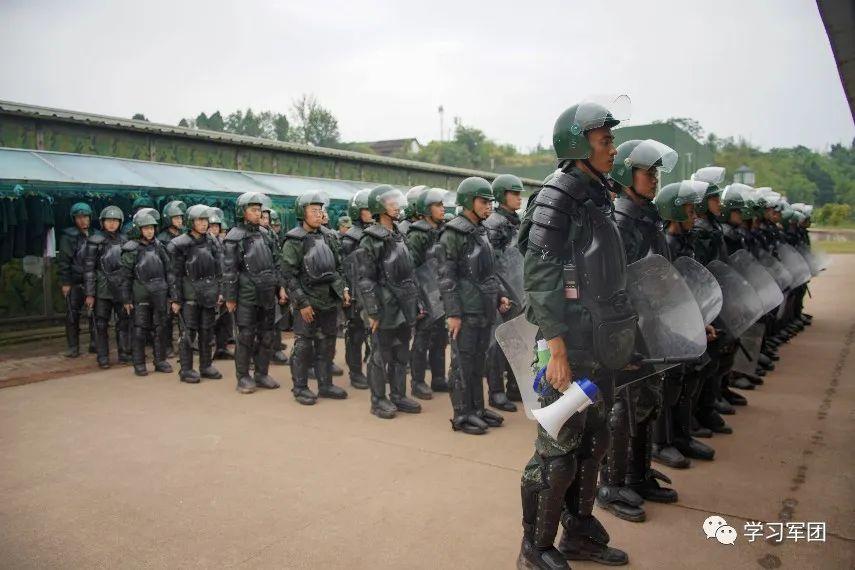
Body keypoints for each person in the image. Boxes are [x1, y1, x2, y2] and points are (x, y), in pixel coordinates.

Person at [516, 101, 632, 568]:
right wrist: (556, 348)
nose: (613, 149)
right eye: (605, 141)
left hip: (598, 339)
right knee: (556, 452)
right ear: (578, 144)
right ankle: (535, 547)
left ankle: (579, 531)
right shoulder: (557, 194)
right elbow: (540, 277)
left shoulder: (598, 191)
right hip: (567, 347)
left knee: (594, 441)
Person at [597, 139, 681, 523]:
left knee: (647, 401)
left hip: (650, 325)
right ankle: (610, 484)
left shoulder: (646, 217)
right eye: (649, 172)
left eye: (657, 173)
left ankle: (638, 473)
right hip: (626, 329)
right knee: (620, 408)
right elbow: (614, 285)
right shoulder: (618, 221)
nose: (655, 179)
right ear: (626, 174)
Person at [439, 177, 512, 434]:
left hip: (484, 307)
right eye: (483, 201)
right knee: (462, 363)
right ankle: (461, 415)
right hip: (466, 311)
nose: (489, 206)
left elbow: (489, 271)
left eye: (491, 201)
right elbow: (446, 278)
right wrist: (453, 313)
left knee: (479, 362)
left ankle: (477, 408)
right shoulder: (453, 234)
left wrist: (500, 294)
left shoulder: (480, 231)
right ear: (469, 202)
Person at [655, 182, 717, 463]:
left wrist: (698, 320)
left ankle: (681, 436)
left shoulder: (685, 242)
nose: (696, 216)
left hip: (685, 319)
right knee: (668, 384)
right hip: (667, 323)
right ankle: (661, 442)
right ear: (675, 212)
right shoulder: (665, 244)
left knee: (685, 379)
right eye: (691, 211)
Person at [352, 185, 422, 419]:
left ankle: (399, 395)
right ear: (379, 208)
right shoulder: (370, 239)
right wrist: (371, 311)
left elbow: (410, 273)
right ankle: (378, 399)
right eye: (391, 203)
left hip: (403, 305)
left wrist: (417, 302)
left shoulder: (399, 235)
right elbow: (365, 279)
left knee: (402, 353)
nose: (396, 206)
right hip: (383, 307)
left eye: (396, 202)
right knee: (380, 356)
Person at [281, 191, 351, 405]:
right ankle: (300, 387)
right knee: (303, 345)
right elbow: (289, 275)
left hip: (329, 299)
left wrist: (344, 290)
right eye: (313, 210)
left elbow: (338, 267)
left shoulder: (329, 236)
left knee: (327, 343)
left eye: (320, 210)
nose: (319, 213)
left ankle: (325, 384)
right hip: (308, 301)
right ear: (302, 213)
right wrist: (302, 303)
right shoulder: (294, 240)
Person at [222, 192, 287, 394]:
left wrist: (281, 287)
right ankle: (243, 377)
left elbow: (277, 263)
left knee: (267, 335)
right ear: (243, 212)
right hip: (246, 295)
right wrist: (231, 297)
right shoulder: (234, 237)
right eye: (253, 209)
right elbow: (229, 270)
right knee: (246, 336)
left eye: (260, 209)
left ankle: (262, 373)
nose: (258, 213)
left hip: (267, 292)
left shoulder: (267, 234)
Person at [689, 167, 735, 435]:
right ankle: (696, 415)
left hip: (714, 297)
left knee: (717, 355)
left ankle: (709, 404)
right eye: (715, 199)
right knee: (701, 363)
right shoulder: (701, 231)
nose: (720, 204)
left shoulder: (713, 227)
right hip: (703, 301)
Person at [484, 173, 526, 412]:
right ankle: (496, 391)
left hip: (515, 290)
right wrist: (501, 293)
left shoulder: (513, 221)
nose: (519, 198)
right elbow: (492, 264)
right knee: (496, 344)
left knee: (515, 341)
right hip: (501, 294)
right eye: (514, 193)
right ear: (501, 195)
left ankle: (513, 386)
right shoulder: (494, 224)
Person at [168, 205, 223, 383]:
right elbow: (173, 274)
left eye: (205, 220)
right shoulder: (179, 243)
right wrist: (175, 298)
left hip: (209, 293)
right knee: (188, 333)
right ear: (191, 222)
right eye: (199, 220)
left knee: (207, 332)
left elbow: (219, 268)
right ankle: (186, 369)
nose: (203, 224)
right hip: (189, 295)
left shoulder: (212, 240)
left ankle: (206, 366)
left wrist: (221, 291)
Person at [118, 208, 174, 376]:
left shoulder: (160, 246)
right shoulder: (131, 249)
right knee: (140, 329)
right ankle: (139, 363)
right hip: (140, 294)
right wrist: (126, 299)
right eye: (146, 228)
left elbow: (169, 271)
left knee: (160, 328)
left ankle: (160, 360)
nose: (149, 231)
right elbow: (125, 277)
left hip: (160, 293)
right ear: (139, 229)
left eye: (152, 228)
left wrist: (172, 295)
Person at [406, 187, 450, 400]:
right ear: (426, 209)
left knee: (441, 338)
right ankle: (417, 382)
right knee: (422, 338)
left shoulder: (443, 230)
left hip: (440, 292)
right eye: (438, 205)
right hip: (424, 293)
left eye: (443, 205)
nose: (443, 209)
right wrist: (418, 301)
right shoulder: (417, 234)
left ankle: (439, 378)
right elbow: (411, 269)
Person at [83, 205, 131, 369]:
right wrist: (90, 293)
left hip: (121, 287)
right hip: (102, 288)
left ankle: (124, 353)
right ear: (102, 222)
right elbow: (89, 269)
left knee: (124, 322)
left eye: (115, 221)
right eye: (109, 221)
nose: (112, 224)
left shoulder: (125, 241)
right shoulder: (94, 240)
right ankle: (102, 356)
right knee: (101, 324)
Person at [340, 190, 372, 390]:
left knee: (373, 334)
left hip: (371, 292)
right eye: (367, 209)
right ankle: (355, 372)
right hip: (356, 295)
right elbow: (347, 269)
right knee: (355, 335)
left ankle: (372, 368)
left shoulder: (374, 232)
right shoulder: (350, 238)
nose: (372, 212)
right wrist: (350, 294)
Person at [58, 202, 94, 357]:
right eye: (79, 217)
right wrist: (66, 282)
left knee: (95, 314)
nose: (83, 220)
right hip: (75, 281)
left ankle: (95, 343)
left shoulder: (96, 235)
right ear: (74, 219)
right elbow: (64, 261)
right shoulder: (68, 237)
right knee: (72, 315)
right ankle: (73, 347)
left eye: (85, 217)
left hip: (92, 281)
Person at [208, 207, 235, 360]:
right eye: (211, 226)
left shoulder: (222, 242)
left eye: (216, 226)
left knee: (225, 320)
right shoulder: (205, 244)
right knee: (211, 321)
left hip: (224, 285)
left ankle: (222, 347)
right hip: (211, 287)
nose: (214, 229)